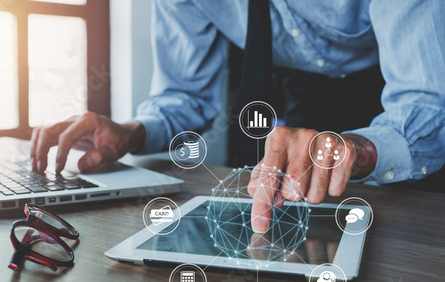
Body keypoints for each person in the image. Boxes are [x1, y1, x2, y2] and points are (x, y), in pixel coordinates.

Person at [31, 0, 445, 234]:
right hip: (303, 101)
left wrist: (361, 148)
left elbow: (429, 103)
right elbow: (184, 97)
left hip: (402, 103)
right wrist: (131, 132)